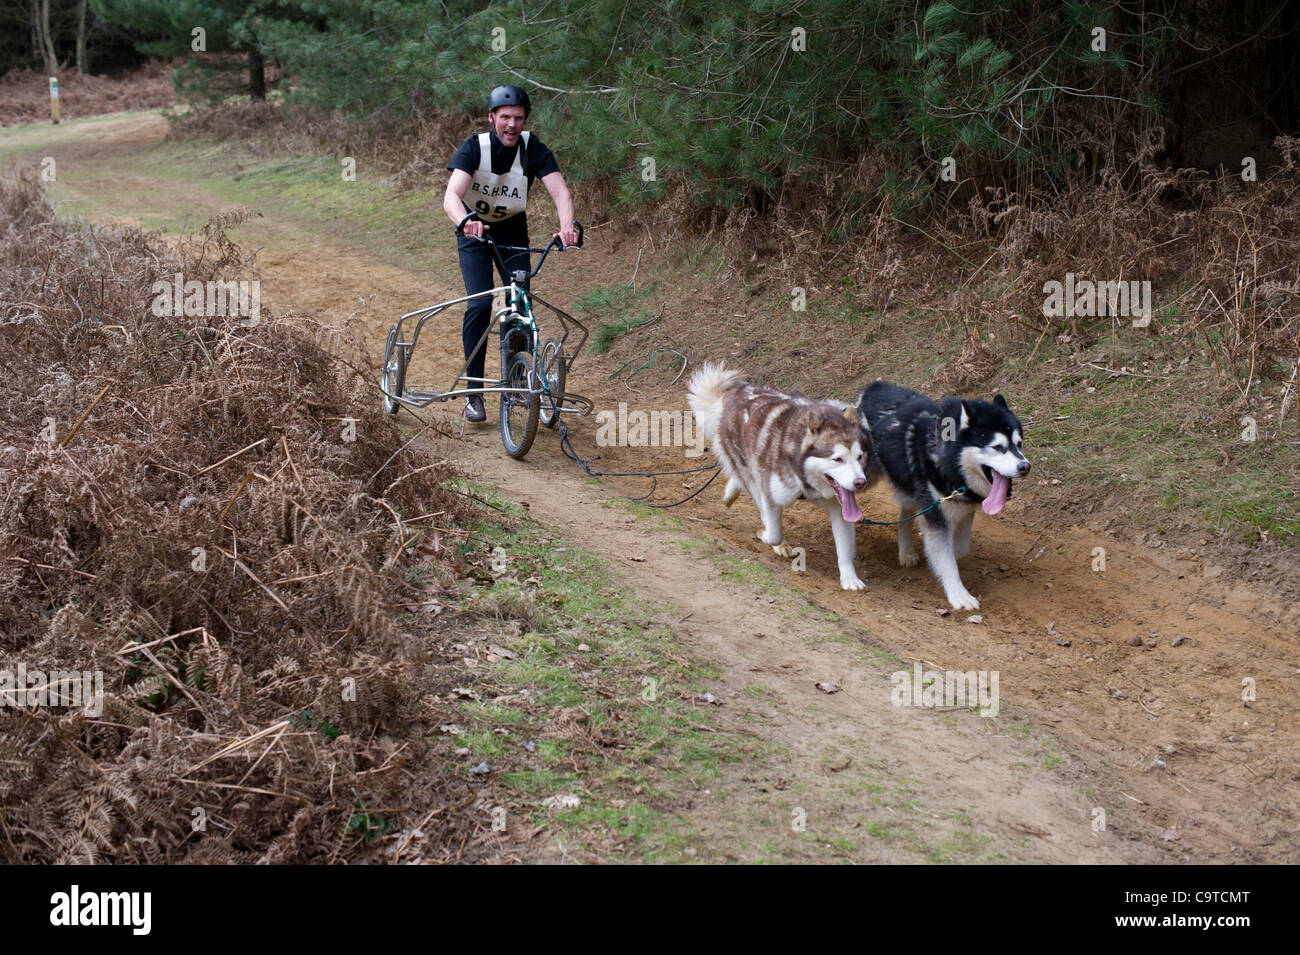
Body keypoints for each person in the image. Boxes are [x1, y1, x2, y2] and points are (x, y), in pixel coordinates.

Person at [443, 85, 579, 422]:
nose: (512, 125)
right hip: (474, 230)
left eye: (518, 118)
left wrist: (567, 228)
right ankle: (474, 394)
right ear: (492, 118)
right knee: (480, 302)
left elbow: (561, 193)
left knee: (518, 304)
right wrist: (465, 221)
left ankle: (517, 378)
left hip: (512, 232)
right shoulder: (475, 147)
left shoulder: (534, 148)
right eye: (505, 117)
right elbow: (451, 197)